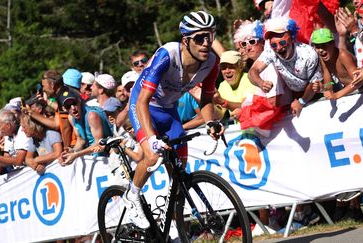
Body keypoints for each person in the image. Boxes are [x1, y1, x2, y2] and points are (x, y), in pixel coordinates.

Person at [127, 10, 224, 229]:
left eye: (210, 36)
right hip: (142, 104)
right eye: (200, 38)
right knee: (152, 157)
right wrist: (151, 138)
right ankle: (132, 196)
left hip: (168, 109)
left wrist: (210, 123)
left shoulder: (211, 63)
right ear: (186, 40)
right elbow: (142, 101)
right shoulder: (167, 55)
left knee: (179, 176)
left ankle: (173, 228)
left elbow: (206, 100)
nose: (206, 43)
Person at [248, 16, 323, 117]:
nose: (278, 48)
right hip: (296, 94)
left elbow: (314, 84)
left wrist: (301, 101)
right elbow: (252, 71)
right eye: (274, 45)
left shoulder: (308, 54)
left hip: (316, 93)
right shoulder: (270, 52)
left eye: (282, 43)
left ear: (292, 39)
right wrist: (261, 83)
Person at [59, 90, 112, 165]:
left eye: (74, 103)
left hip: (108, 155)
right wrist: (72, 151)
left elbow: (99, 144)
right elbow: (81, 140)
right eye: (68, 106)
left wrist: (76, 155)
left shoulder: (92, 116)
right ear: (64, 109)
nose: (73, 108)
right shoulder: (71, 118)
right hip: (95, 156)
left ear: (79, 101)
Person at [310, 28, 360, 100]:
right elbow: (329, 84)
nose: (321, 50)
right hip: (351, 93)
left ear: (333, 44)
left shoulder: (343, 56)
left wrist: (337, 95)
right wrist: (322, 88)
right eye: (317, 47)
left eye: (324, 46)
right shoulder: (323, 59)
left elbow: (358, 81)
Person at [213, 51, 256, 120]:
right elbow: (220, 114)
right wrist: (206, 101)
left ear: (241, 66)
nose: (227, 71)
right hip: (237, 129)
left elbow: (247, 107)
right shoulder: (222, 85)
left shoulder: (250, 80)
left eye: (231, 67)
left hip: (256, 128)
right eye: (223, 68)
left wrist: (223, 102)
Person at [0, 109, 31, 174]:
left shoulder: (23, 132)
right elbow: (6, 160)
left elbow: (19, 161)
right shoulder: (8, 135)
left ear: (8, 126)